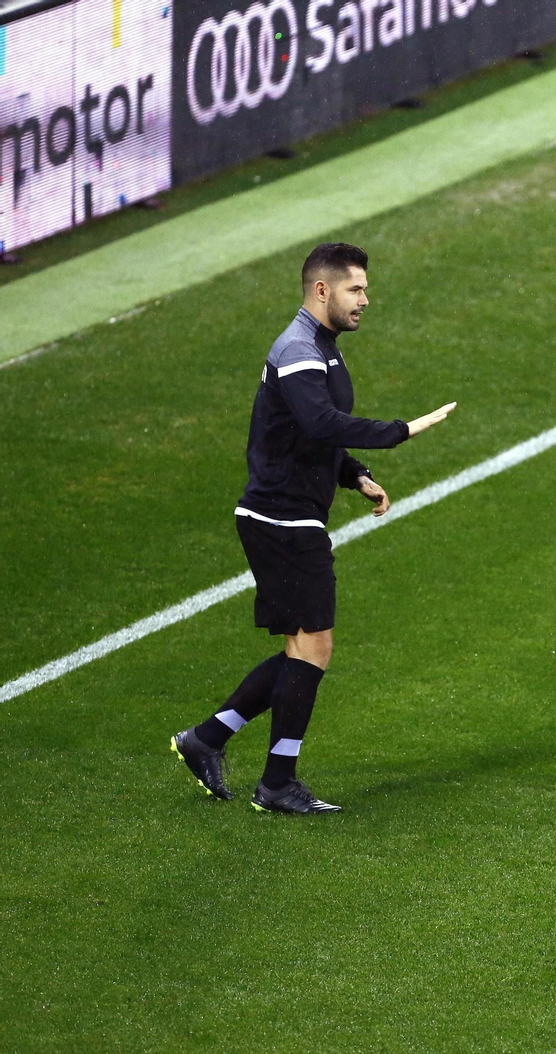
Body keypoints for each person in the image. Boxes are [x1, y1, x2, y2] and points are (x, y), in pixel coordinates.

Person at [170, 242, 456, 814]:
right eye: (356, 289)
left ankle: (208, 740)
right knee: (313, 648)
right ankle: (272, 781)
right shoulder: (299, 349)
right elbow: (320, 420)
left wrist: (356, 475)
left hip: (286, 516)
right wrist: (401, 430)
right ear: (321, 290)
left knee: (303, 649)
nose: (366, 300)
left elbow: (309, 437)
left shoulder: (319, 347)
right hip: (281, 520)